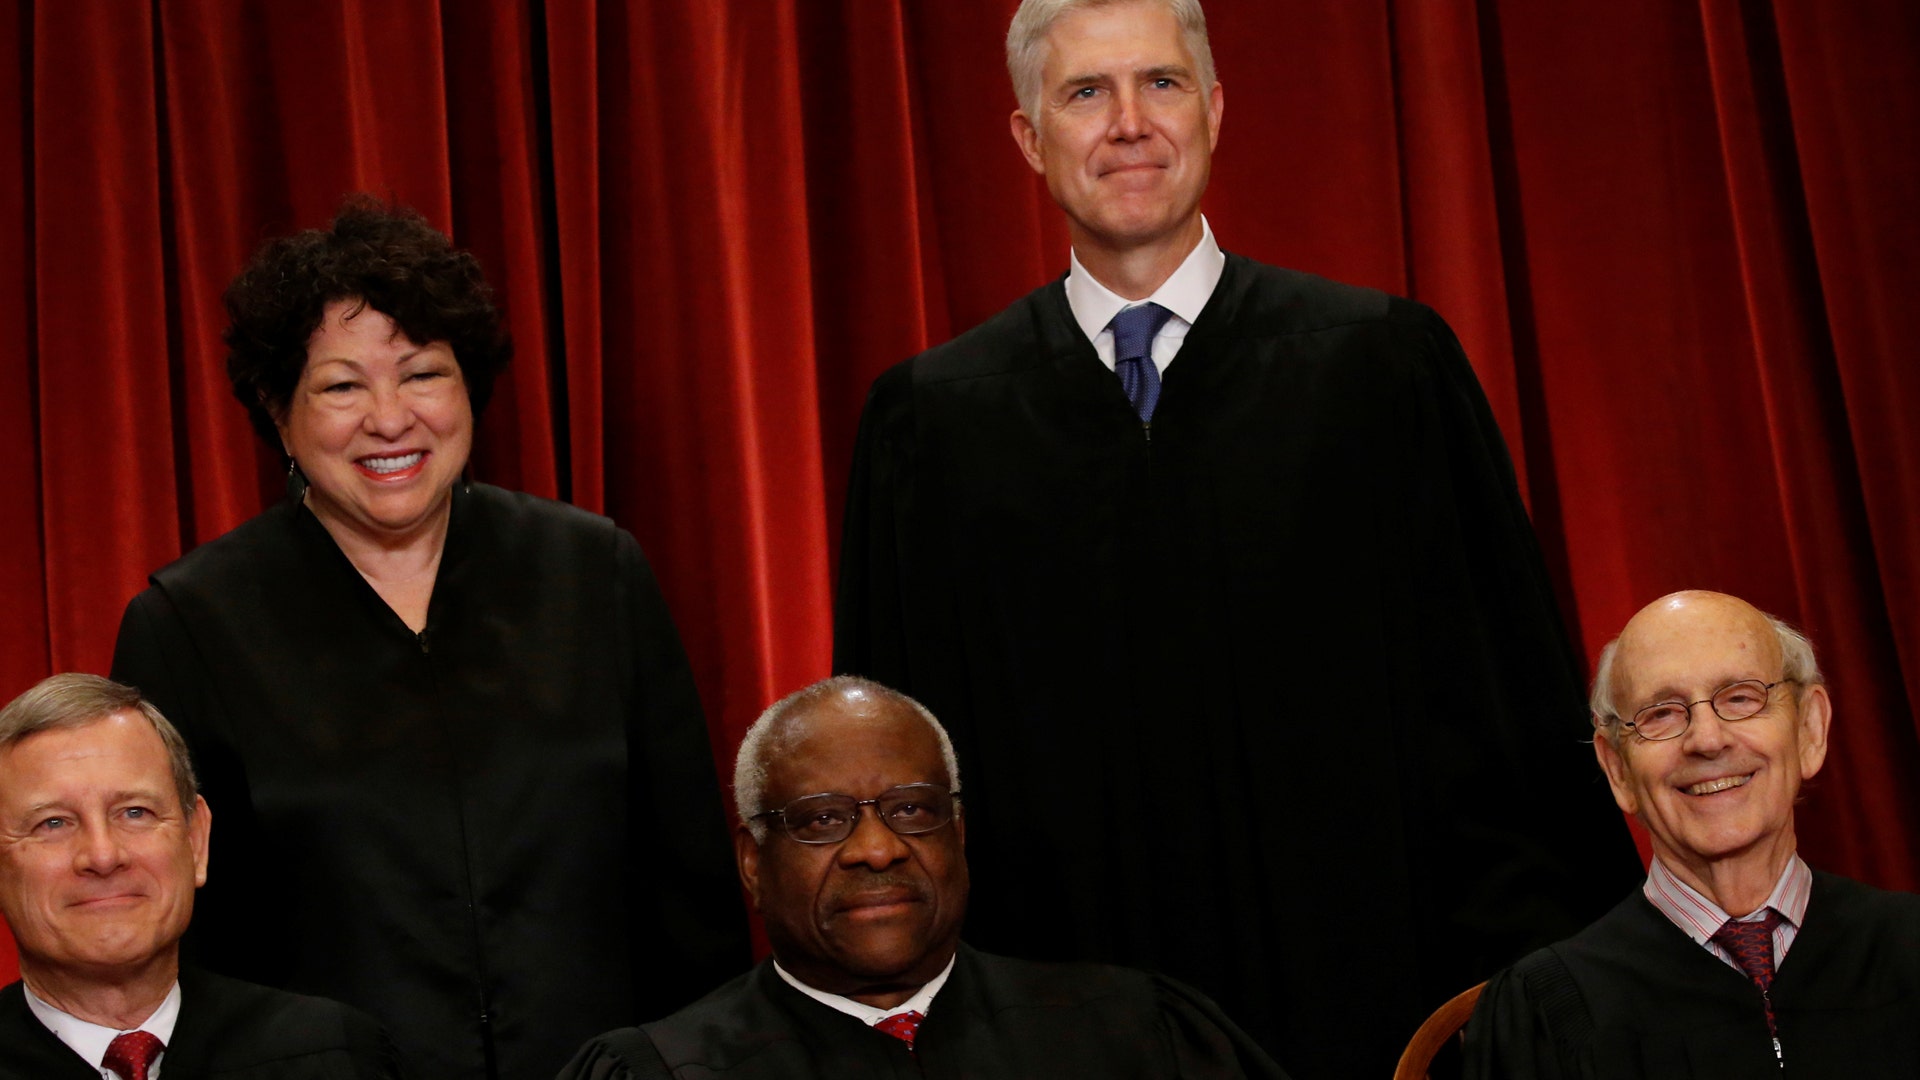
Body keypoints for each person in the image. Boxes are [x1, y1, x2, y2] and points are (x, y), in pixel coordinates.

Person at [832, 0, 1639, 1072]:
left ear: (1214, 111)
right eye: (1085, 92)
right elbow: (898, 792)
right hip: (1063, 1037)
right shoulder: (929, 428)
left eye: (1160, 84)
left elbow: (1510, 726)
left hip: (1377, 1013)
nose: (1129, 122)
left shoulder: (1382, 370)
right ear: (1029, 140)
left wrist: (1518, 1005)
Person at [109, 198, 747, 1079]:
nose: (390, 418)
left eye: (422, 374)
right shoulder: (190, 622)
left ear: (469, 386)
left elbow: (692, 893)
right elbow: (179, 931)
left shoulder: (593, 572)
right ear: (277, 411)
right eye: (340, 386)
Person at [558, 676, 1289, 1079]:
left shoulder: (1135, 1035)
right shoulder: (664, 1072)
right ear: (753, 863)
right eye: (822, 819)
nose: (877, 850)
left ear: (959, 836)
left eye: (912, 809)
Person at [1462, 591, 1920, 1077]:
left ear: (1809, 730)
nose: (1706, 740)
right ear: (1617, 768)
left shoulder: (1910, 946)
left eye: (1742, 698)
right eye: (1661, 713)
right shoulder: (1546, 1011)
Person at [0, 674, 400, 1079]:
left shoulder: (330, 1054)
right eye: (52, 823)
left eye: (135, 812)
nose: (103, 855)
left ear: (195, 842)